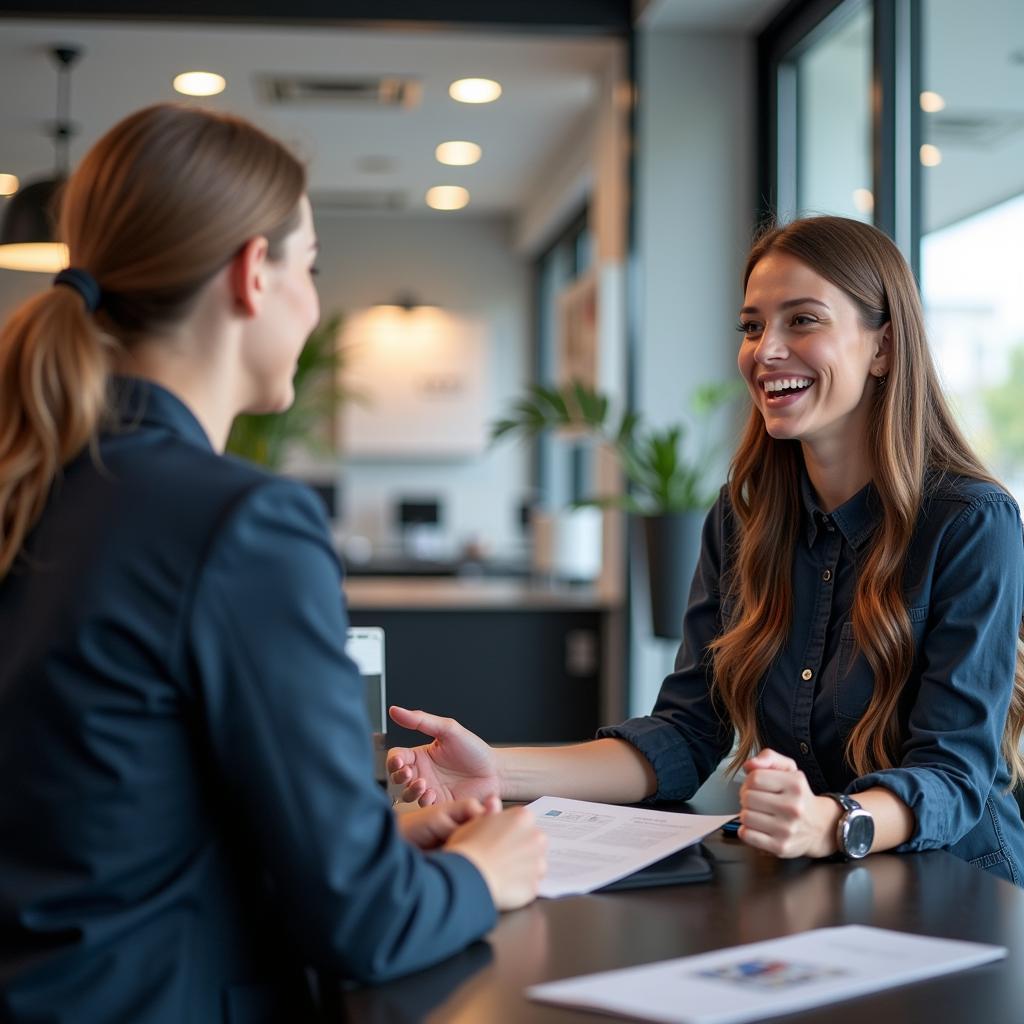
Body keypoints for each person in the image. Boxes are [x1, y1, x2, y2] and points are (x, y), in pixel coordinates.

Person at [0, 103, 545, 1024]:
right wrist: (478, 874)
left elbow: (114, 819)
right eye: (313, 265)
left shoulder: (31, 482)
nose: (314, 299)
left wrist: (384, 840)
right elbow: (364, 925)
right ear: (256, 274)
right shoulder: (242, 523)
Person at [388, 214, 1024, 885]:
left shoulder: (970, 522)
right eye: (752, 327)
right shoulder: (742, 518)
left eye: (802, 321)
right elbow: (687, 733)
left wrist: (834, 822)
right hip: (820, 889)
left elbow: (953, 773)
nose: (766, 350)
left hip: (963, 889)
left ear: (884, 347)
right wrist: (498, 769)